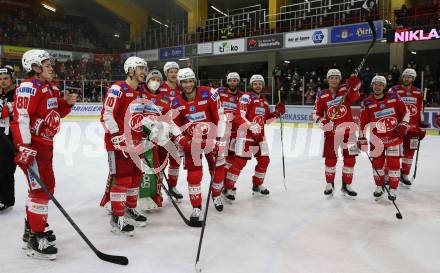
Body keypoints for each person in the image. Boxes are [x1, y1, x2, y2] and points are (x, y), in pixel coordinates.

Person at [11, 49, 77, 260]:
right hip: (33, 149)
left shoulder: (49, 87)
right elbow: (21, 118)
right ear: (35, 67)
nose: (51, 68)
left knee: (46, 187)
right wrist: (24, 147)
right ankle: (35, 238)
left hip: (45, 147)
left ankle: (32, 229)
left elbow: (54, 115)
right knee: (40, 191)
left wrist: (65, 104)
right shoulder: (29, 87)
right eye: (46, 65)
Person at [100, 56, 148, 235]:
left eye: (144, 68)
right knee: (122, 179)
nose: (144, 71)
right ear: (130, 70)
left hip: (135, 144)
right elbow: (106, 115)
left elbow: (137, 119)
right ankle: (117, 216)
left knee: (136, 177)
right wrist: (117, 136)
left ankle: (130, 208)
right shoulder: (117, 89)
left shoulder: (139, 92)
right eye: (140, 68)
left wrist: (145, 132)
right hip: (118, 145)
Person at [171, 67, 227, 219]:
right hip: (192, 142)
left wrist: (219, 140)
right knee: (194, 175)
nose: (188, 85)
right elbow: (173, 124)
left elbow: (220, 118)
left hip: (212, 138)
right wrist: (180, 139)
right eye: (184, 82)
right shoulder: (176, 102)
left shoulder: (209, 93)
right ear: (179, 84)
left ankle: (216, 195)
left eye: (190, 81)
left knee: (218, 170)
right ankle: (196, 207)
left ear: (194, 81)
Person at [223, 74, 285, 201]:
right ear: (251, 85)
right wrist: (251, 126)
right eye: (255, 83)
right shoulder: (246, 97)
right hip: (245, 135)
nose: (258, 85)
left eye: (260, 83)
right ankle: (228, 188)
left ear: (263, 85)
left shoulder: (264, 102)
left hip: (260, 137)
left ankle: (257, 184)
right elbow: (240, 116)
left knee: (264, 160)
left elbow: (267, 120)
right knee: (239, 162)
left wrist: (278, 113)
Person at [358, 76, 409, 200]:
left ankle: (392, 188)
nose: (377, 86)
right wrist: (361, 137)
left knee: (393, 163)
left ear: (384, 86)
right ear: (372, 85)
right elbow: (363, 122)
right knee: (377, 164)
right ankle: (379, 186)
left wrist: (404, 124)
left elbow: (406, 112)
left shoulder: (394, 98)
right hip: (377, 139)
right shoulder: (367, 102)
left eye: (380, 84)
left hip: (393, 138)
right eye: (375, 84)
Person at [313, 69, 361, 197]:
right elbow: (315, 114)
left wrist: (355, 84)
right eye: (331, 77)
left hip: (349, 132)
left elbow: (355, 97)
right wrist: (324, 123)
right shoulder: (321, 94)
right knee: (330, 159)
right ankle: (330, 183)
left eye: (336, 77)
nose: (334, 79)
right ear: (327, 80)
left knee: (350, 159)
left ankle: (347, 185)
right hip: (331, 133)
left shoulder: (346, 89)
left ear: (339, 79)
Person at [388, 68, 427, 187]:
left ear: (413, 78)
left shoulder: (418, 92)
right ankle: (388, 175)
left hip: (414, 129)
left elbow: (420, 109)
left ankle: (404, 174)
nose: (407, 78)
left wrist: (422, 124)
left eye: (409, 77)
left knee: (409, 153)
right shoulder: (394, 90)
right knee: (393, 153)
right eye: (405, 76)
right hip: (398, 128)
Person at [217, 72, 244, 201]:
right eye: (231, 80)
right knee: (221, 160)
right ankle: (219, 184)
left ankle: (227, 186)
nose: (233, 82)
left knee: (232, 159)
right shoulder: (219, 92)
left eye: (235, 80)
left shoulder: (242, 96)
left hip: (235, 133)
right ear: (227, 81)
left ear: (238, 82)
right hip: (221, 132)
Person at [160, 61, 184, 200]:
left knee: (176, 160)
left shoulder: (182, 88)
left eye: (175, 71)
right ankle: (157, 189)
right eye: (171, 71)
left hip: (178, 129)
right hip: (162, 128)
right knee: (162, 160)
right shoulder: (160, 87)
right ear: (166, 73)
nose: (174, 74)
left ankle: (172, 187)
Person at [0, 65, 16, 211]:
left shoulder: (17, 93)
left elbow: (6, 112)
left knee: (6, 169)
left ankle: (6, 200)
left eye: (5, 78)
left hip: (11, 139)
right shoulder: (1, 94)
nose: (2, 81)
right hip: (1, 138)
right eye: (0, 79)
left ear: (12, 79)